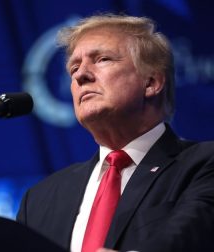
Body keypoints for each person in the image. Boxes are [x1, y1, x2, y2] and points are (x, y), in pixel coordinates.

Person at [16, 13, 214, 252]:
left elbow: (191, 234)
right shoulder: (39, 200)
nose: (80, 75)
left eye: (102, 59)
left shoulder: (203, 165)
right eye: (74, 68)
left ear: (151, 82)